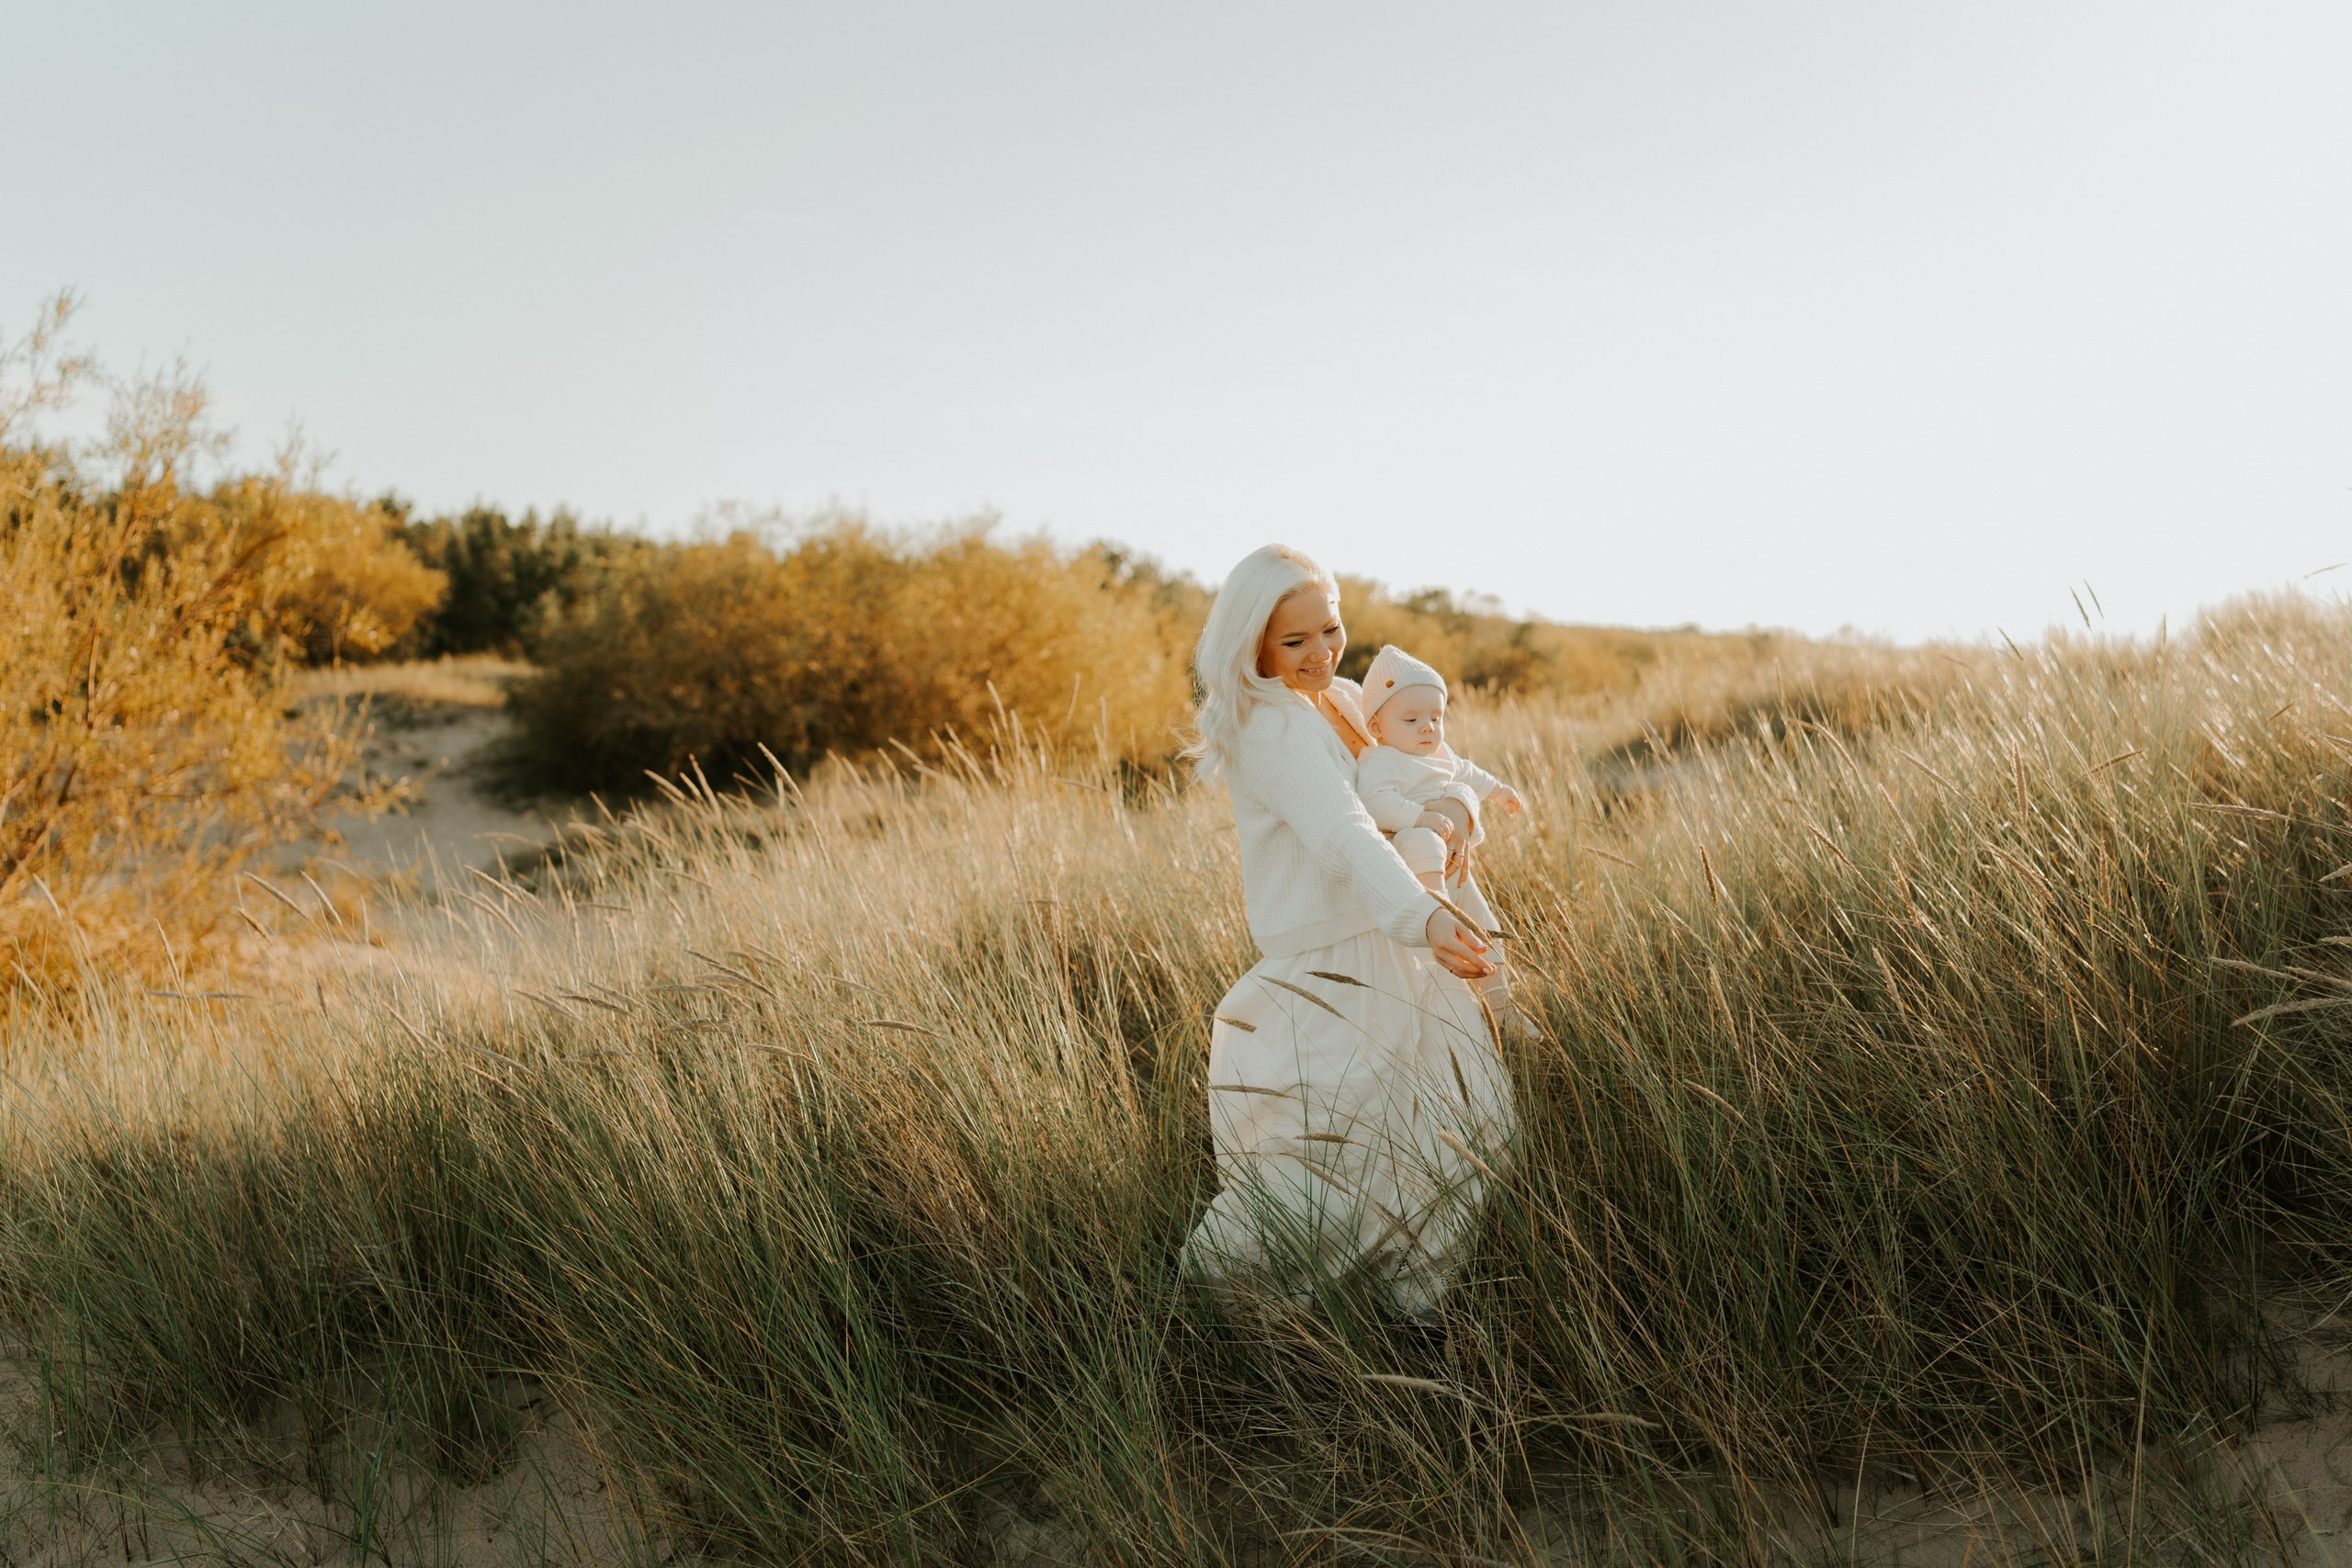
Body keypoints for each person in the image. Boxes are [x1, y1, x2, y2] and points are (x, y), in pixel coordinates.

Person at [1181, 545, 1518, 1319]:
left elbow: (1426, 773)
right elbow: (1345, 833)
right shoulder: (1272, 727)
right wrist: (1422, 914)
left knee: (1456, 1134)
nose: (1320, 652)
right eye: (1294, 640)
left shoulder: (1335, 699)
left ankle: (1416, 1313)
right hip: (1340, 968)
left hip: (1397, 950)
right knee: (1332, 1160)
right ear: (1254, 643)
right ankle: (1214, 1312)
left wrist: (1455, 810)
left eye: (1329, 629)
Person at [1352, 643, 1535, 1037]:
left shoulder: (1441, 755)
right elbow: (1375, 802)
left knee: (1486, 927)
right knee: (1423, 840)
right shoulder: (1379, 760)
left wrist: (1499, 791)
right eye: (1412, 719)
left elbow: (1468, 772)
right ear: (1377, 728)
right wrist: (1419, 816)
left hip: (1455, 868)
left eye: (1436, 718)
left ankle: (1502, 1007)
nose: (1427, 727)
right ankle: (1433, 906)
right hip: (1413, 858)